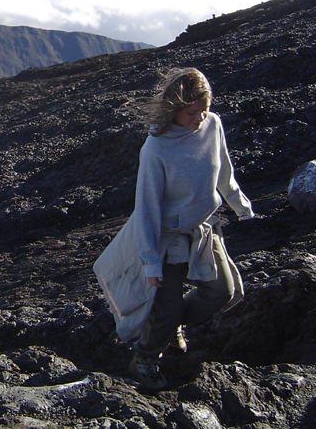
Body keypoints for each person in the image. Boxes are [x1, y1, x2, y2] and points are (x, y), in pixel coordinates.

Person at [93, 67, 255, 390]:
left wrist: (239, 204)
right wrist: (150, 261)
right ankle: (144, 358)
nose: (200, 117)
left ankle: (170, 324)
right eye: (192, 112)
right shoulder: (156, 149)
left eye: (204, 109)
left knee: (222, 291)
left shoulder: (212, 126)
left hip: (202, 230)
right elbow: (147, 209)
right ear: (174, 109)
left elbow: (223, 170)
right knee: (166, 307)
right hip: (168, 240)